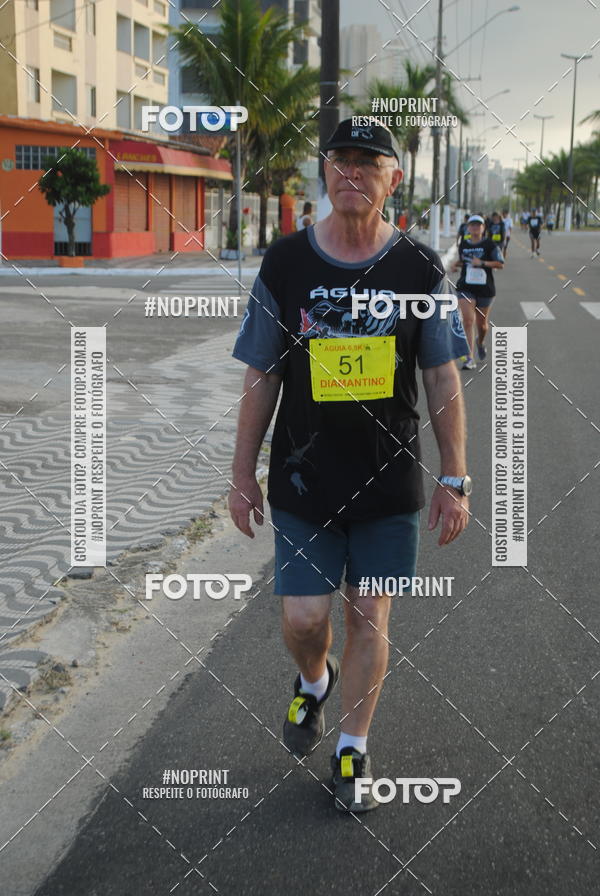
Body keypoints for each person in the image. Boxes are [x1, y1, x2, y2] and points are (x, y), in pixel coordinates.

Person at [229, 118, 471, 814]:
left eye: (369, 163)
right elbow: (261, 376)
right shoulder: (286, 264)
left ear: (395, 180)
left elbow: (442, 378)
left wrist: (455, 476)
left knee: (370, 612)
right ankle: (313, 683)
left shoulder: (420, 269)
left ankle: (352, 748)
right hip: (306, 479)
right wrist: (242, 473)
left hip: (389, 480)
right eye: (339, 161)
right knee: (305, 618)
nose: (351, 174)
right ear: (325, 173)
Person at [452, 214, 504, 368]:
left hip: (485, 289)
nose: (475, 227)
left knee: (482, 326)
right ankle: (469, 358)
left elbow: (500, 264)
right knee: (468, 321)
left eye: (478, 225)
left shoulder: (490, 245)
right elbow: (465, 262)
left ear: (483, 228)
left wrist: (482, 262)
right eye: (472, 225)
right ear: (468, 227)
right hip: (465, 287)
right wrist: (456, 264)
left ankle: (480, 342)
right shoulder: (464, 244)